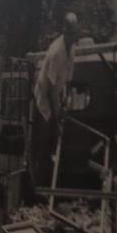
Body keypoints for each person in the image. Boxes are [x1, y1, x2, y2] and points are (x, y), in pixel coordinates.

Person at [30, 12, 77, 200]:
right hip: (43, 102)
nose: (73, 37)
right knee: (42, 149)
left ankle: (48, 189)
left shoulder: (72, 50)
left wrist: (66, 105)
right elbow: (49, 91)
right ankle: (37, 193)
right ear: (65, 32)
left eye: (75, 33)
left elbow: (66, 83)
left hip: (55, 98)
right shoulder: (56, 51)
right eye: (70, 33)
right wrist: (57, 117)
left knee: (52, 149)